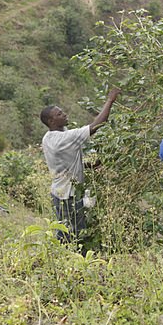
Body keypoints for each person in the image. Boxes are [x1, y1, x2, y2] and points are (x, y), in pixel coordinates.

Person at [40, 88, 120, 244]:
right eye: (59, 114)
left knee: (67, 230)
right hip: (68, 195)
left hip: (60, 192)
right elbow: (98, 124)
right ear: (51, 121)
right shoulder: (63, 139)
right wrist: (110, 100)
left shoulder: (49, 137)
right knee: (73, 234)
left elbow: (64, 163)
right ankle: (72, 262)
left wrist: (90, 165)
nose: (64, 115)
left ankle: (68, 260)